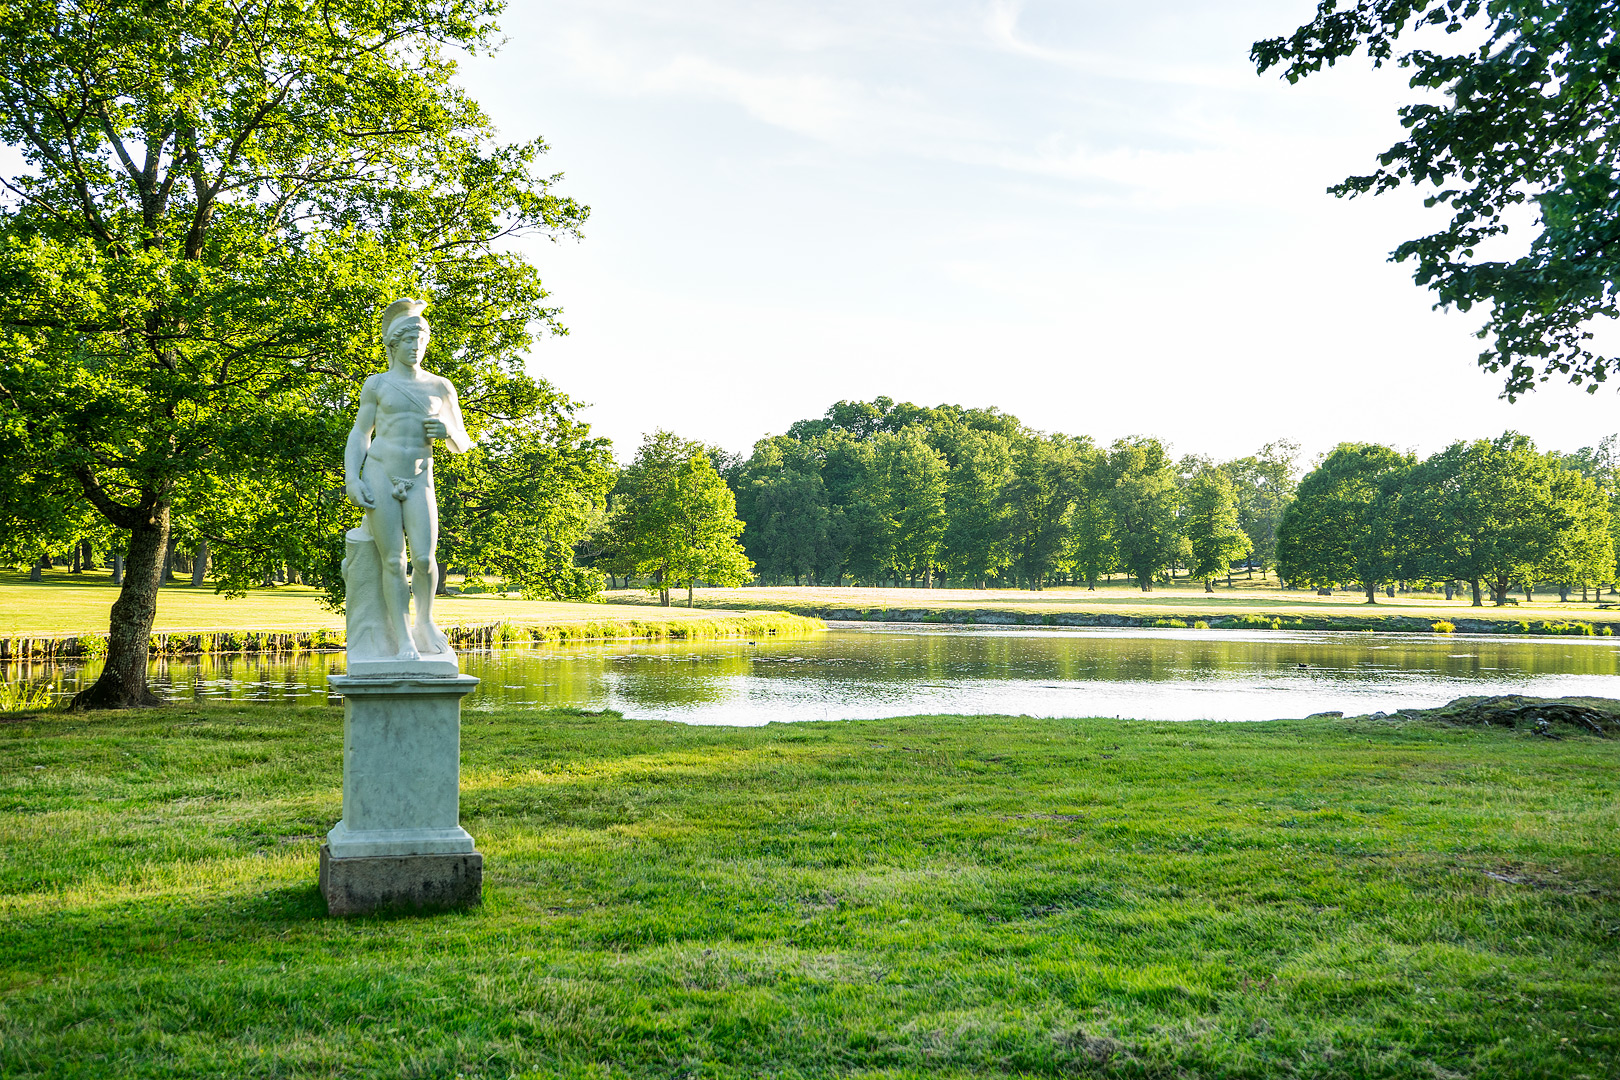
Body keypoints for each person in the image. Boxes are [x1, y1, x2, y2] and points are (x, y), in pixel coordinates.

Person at [344, 298, 470, 661]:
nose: (416, 348)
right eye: (409, 342)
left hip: (420, 477)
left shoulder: (441, 387)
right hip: (381, 473)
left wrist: (447, 431)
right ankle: (403, 640)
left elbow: (462, 442)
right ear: (393, 345)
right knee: (393, 561)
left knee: (425, 560)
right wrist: (353, 480)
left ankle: (425, 622)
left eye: (421, 342)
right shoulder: (378, 385)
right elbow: (359, 435)